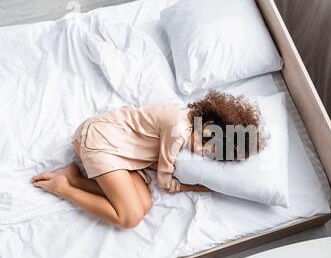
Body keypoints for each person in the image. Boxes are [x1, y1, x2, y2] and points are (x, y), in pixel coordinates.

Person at [32, 91, 263, 229]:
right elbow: (165, 181)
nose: (203, 153)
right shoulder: (179, 130)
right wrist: (199, 187)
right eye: (207, 144)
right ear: (207, 124)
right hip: (100, 139)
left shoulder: (184, 121)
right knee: (129, 218)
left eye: (210, 153)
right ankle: (64, 188)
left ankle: (75, 177)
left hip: (125, 154)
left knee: (144, 204)